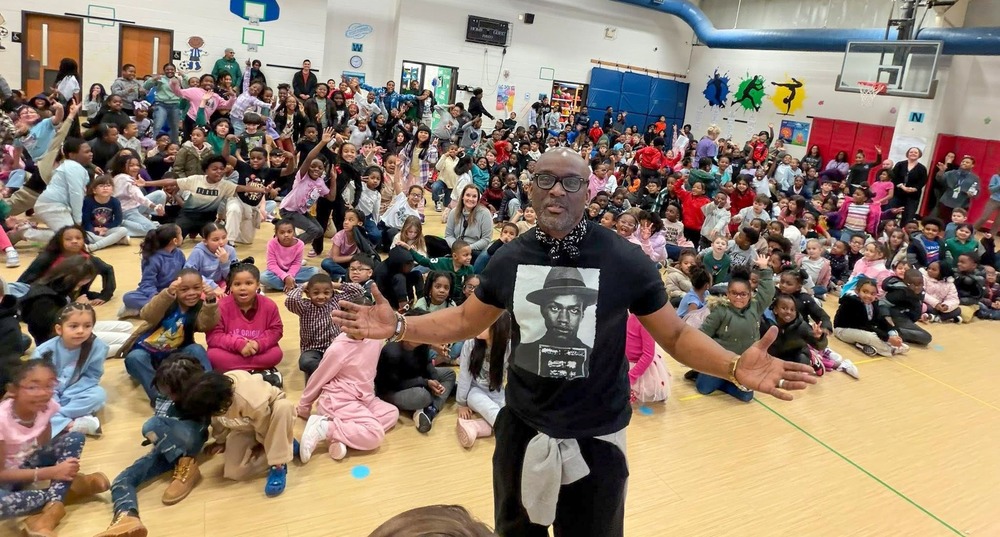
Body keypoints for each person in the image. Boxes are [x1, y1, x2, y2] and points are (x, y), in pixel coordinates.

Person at [332, 148, 814, 536]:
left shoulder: (625, 260)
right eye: (545, 180)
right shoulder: (509, 259)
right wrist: (398, 325)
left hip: (597, 436)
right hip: (521, 428)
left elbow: (676, 333)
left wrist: (732, 367)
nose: (557, 190)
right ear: (530, 190)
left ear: (589, 190)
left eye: (571, 181)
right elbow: (462, 321)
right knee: (515, 531)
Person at [90, 357, 233, 537]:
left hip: (190, 440)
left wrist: (221, 441)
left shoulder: (201, 399)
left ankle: (187, 466)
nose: (165, 394)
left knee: (151, 425)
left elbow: (222, 420)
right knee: (121, 480)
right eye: (162, 389)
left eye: (170, 391)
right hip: (164, 449)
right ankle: (127, 517)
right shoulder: (163, 397)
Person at [0, 360, 109, 533]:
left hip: (27, 463)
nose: (43, 393)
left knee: (74, 437)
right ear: (13, 390)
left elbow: (44, 442)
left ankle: (50, 512)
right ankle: (74, 489)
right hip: (5, 480)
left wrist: (48, 462)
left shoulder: (46, 405)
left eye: (49, 386)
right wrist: (51, 472)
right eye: (33, 387)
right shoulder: (2, 419)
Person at [296, 288, 398, 462]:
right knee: (375, 434)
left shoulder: (375, 338)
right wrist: (304, 406)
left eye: (364, 318)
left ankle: (339, 436)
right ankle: (323, 428)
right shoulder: (339, 348)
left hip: (364, 398)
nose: (356, 324)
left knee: (392, 413)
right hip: (339, 400)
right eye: (350, 319)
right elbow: (319, 377)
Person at [119, 269, 219, 403]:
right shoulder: (167, 301)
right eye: (184, 289)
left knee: (197, 349)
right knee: (135, 357)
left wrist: (211, 302)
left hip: (175, 355)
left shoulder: (199, 306)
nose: (191, 293)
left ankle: (210, 388)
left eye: (196, 288)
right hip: (147, 355)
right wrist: (167, 294)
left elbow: (205, 326)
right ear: (176, 289)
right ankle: (161, 398)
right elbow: (147, 314)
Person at [203, 369, 294, 497]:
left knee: (283, 408)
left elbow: (264, 423)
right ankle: (285, 445)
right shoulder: (209, 398)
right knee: (233, 472)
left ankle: (278, 464)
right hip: (244, 426)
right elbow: (217, 421)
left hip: (270, 418)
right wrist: (220, 440)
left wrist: (264, 444)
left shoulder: (248, 397)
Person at [206, 264, 284, 385]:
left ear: (258, 285)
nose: (243, 288)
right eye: (237, 284)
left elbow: (276, 330)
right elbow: (214, 336)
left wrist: (258, 344)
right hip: (232, 350)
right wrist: (239, 344)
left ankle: (235, 375)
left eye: (248, 283)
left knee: (276, 354)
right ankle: (257, 373)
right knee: (212, 355)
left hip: (256, 350)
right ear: (230, 287)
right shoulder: (220, 306)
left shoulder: (269, 305)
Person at [286, 274, 363, 380]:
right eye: (316, 293)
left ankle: (326, 374)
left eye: (326, 292)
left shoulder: (336, 300)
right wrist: (303, 286)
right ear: (308, 294)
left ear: (332, 292)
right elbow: (291, 299)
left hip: (336, 347)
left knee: (355, 358)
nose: (321, 296)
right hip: (313, 350)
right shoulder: (304, 306)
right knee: (306, 362)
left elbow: (358, 291)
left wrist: (334, 285)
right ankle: (331, 374)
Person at [455, 311, 512, 448]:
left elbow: (512, 377)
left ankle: (476, 426)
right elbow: (464, 375)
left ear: (498, 327)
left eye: (484, 324)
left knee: (511, 411)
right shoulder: (471, 344)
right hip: (474, 391)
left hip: (497, 390)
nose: (477, 327)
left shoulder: (508, 346)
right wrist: (461, 403)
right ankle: (509, 433)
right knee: (490, 409)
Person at [121, 224, 186, 317]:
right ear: (175, 240)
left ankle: (153, 309)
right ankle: (160, 308)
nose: (182, 237)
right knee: (128, 297)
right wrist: (156, 297)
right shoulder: (153, 258)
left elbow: (184, 273)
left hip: (174, 291)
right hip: (157, 293)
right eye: (181, 234)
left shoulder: (179, 254)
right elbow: (147, 283)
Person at [834, 277, 909, 356]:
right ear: (857, 291)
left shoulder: (873, 303)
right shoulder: (852, 301)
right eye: (865, 292)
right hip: (842, 330)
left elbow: (880, 320)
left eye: (872, 293)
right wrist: (887, 338)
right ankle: (890, 349)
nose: (869, 296)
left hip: (860, 330)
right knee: (872, 336)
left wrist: (892, 333)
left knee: (888, 332)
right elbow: (864, 325)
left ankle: (862, 345)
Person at [261, 219, 320, 291]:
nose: (286, 235)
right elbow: (271, 264)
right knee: (263, 277)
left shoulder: (300, 244)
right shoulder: (272, 243)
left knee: (315, 271)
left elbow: (296, 264)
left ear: (294, 232)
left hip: (293, 272)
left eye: (289, 232)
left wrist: (289, 276)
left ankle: (285, 285)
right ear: (276, 234)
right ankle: (297, 286)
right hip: (277, 272)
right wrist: (285, 277)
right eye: (282, 232)